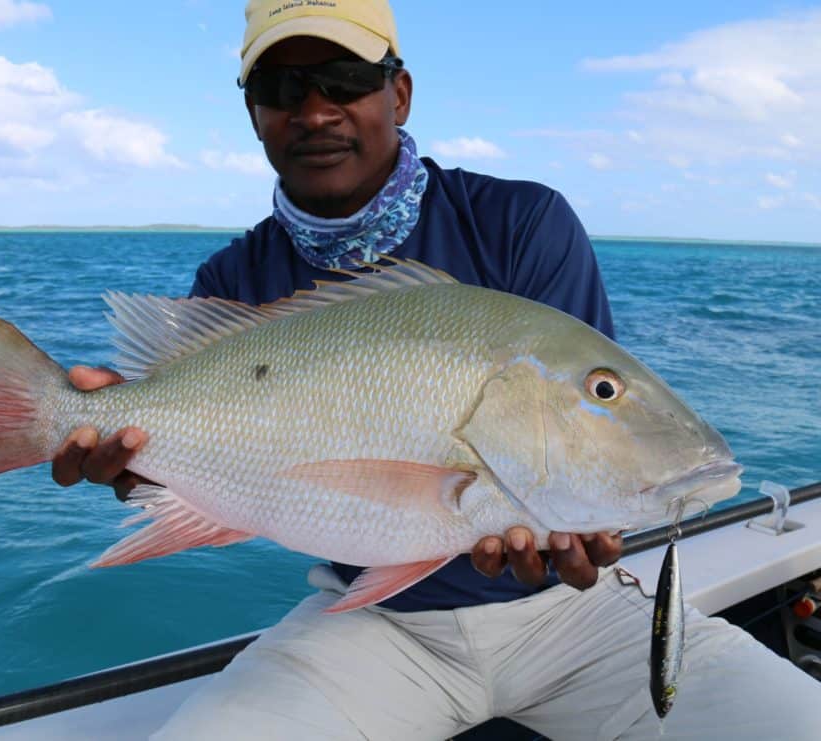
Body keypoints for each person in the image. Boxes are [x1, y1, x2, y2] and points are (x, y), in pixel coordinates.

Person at [52, 2, 819, 739]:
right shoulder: (234, 274)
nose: (316, 111)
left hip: (576, 615)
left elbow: (586, 457)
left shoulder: (522, 224)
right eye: (283, 88)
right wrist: (135, 465)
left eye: (346, 79)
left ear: (401, 92)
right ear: (253, 112)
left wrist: (598, 521)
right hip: (371, 623)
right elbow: (196, 476)